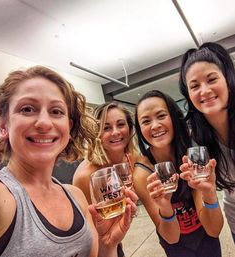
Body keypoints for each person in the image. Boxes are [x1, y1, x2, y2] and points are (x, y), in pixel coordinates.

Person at [0, 66, 137, 257]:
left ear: (68, 128)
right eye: (27, 109)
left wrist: (108, 244)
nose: (44, 122)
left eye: (56, 111)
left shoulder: (76, 196)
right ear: (3, 125)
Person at [133, 89, 223, 257]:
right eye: (146, 121)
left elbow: (214, 230)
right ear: (139, 128)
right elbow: (171, 238)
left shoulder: (193, 155)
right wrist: (165, 207)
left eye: (161, 116)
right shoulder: (142, 173)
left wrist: (209, 192)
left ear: (174, 117)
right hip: (177, 248)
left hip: (205, 238)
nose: (155, 125)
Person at [179, 42, 235, 243]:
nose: (204, 90)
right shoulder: (195, 141)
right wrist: (208, 191)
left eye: (212, 79)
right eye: (194, 86)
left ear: (227, 80)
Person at [73, 101, 138, 257]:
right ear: (97, 133)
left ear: (129, 128)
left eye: (121, 124)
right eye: (106, 127)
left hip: (116, 238)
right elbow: (90, 236)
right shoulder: (86, 176)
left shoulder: (131, 160)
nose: (115, 132)